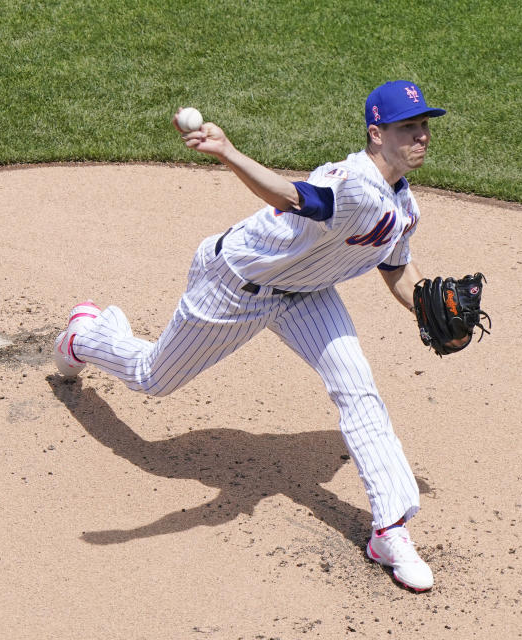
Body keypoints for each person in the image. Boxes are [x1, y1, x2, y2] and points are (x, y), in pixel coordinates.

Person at [54, 80, 467, 591]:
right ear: (376, 134)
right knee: (151, 378)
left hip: (308, 295)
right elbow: (293, 196)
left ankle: (390, 528)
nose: (422, 136)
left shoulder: (405, 208)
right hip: (235, 286)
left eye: (425, 126)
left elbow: (398, 271)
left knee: (359, 392)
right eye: (410, 127)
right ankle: (86, 335)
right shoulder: (353, 182)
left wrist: (431, 314)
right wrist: (228, 152)